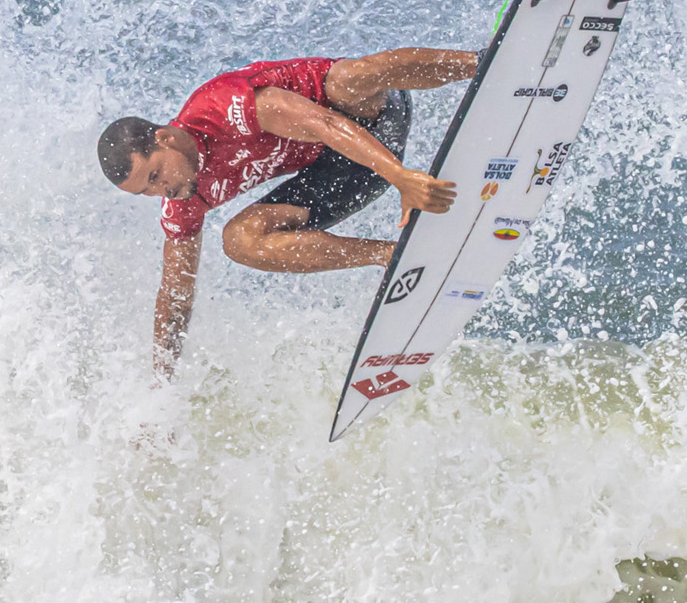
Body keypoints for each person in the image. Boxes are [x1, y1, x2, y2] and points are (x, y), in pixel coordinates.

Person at [97, 47, 477, 376]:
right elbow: (175, 296)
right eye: (145, 191)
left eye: (155, 175)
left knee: (348, 78)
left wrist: (400, 178)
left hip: (370, 116)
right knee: (239, 240)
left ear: (164, 139)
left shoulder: (217, 108)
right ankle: (391, 257)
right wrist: (161, 389)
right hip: (346, 174)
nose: (159, 191)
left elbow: (326, 123)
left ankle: (480, 62)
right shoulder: (183, 199)